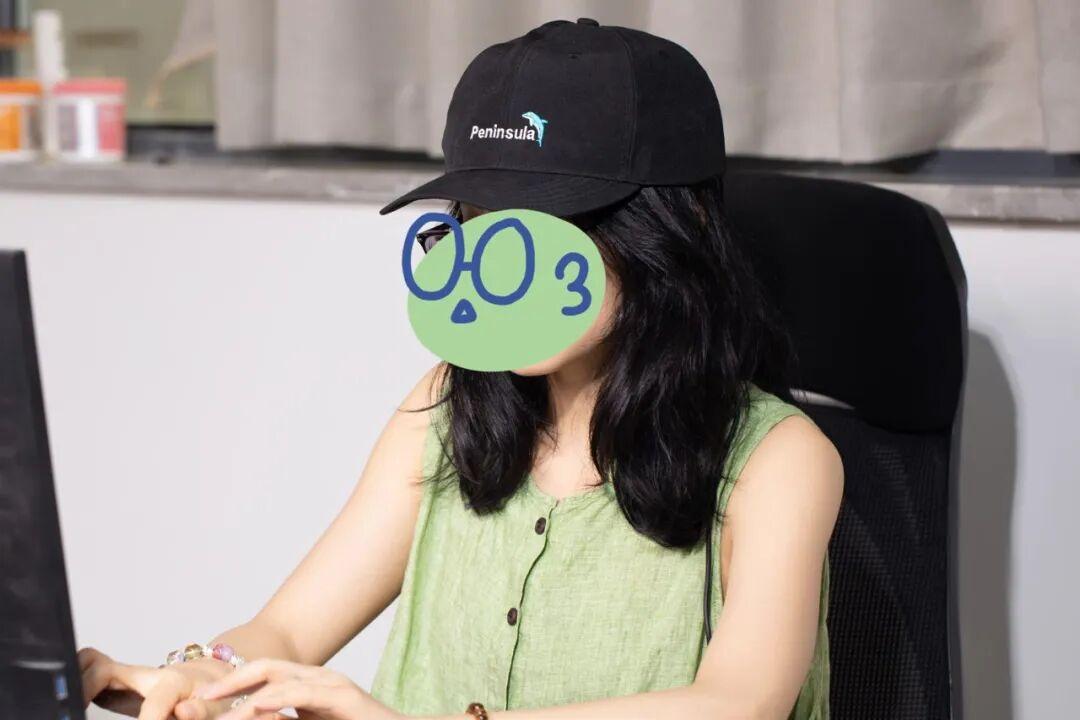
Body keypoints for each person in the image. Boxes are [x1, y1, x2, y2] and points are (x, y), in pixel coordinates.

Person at [78, 18, 842, 720]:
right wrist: (204, 678)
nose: (499, 269)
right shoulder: (451, 401)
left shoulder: (778, 458)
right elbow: (286, 631)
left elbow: (738, 702)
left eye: (548, 226)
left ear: (674, 225)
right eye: (479, 222)